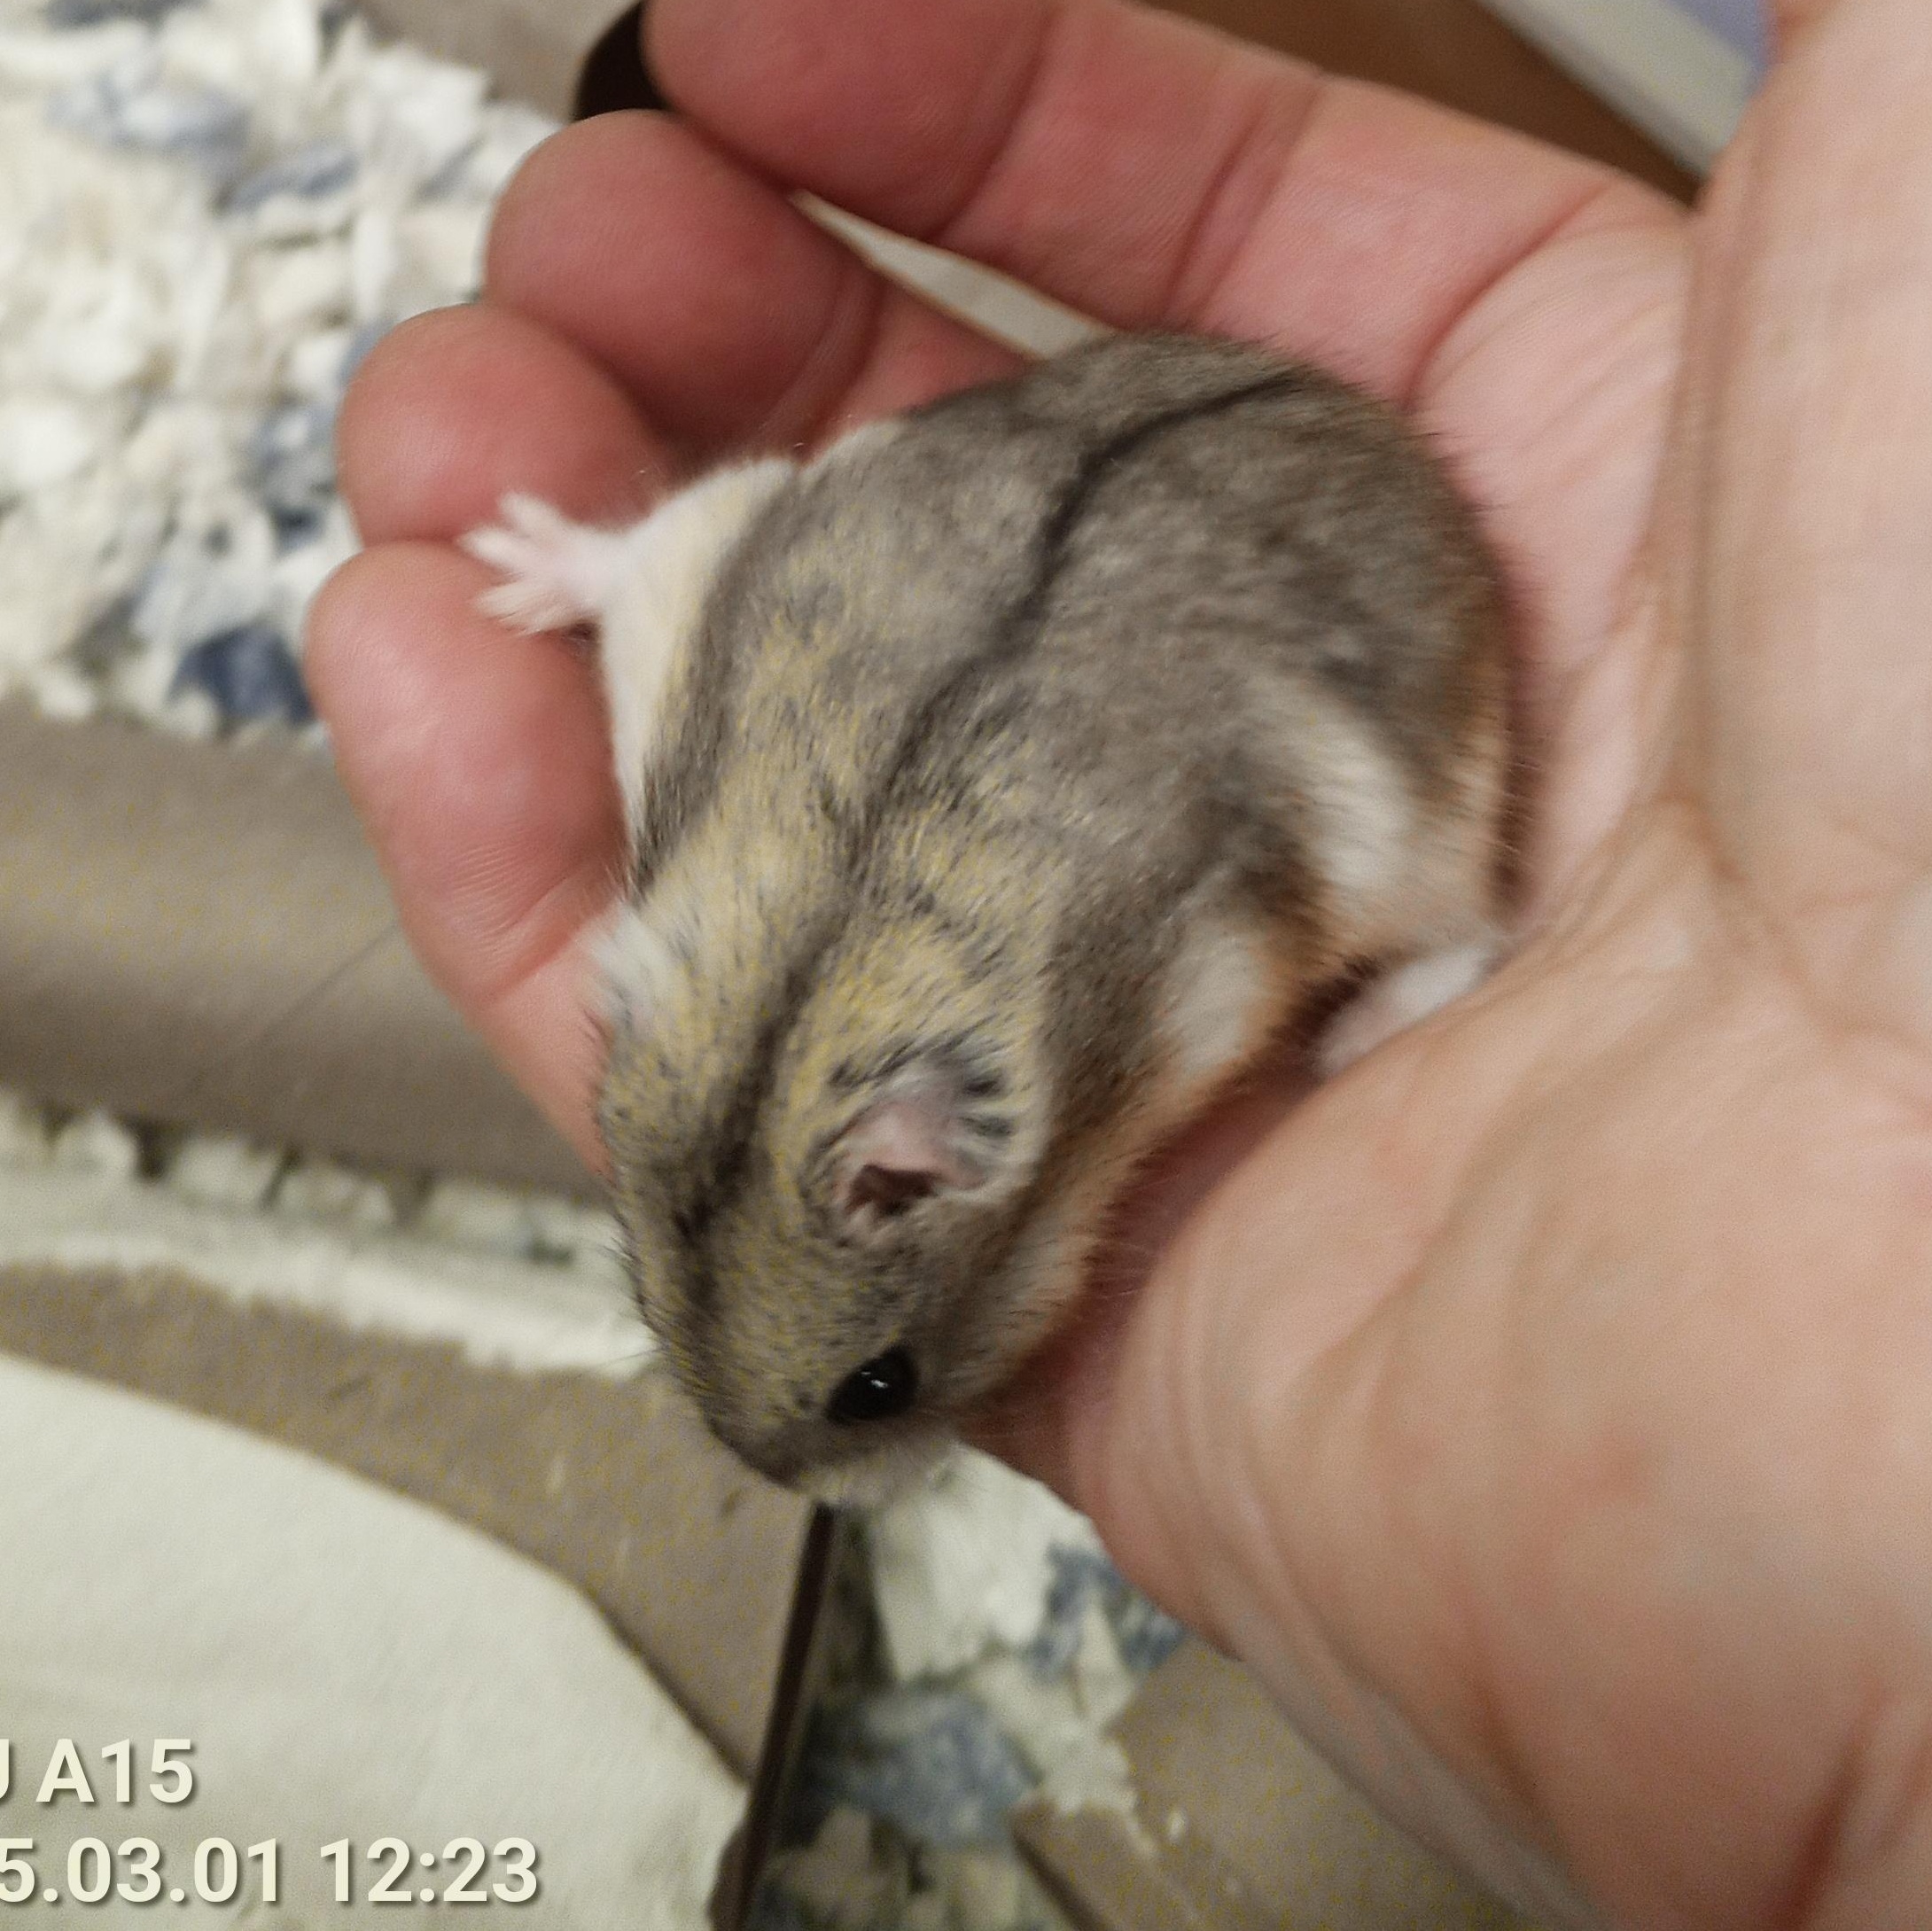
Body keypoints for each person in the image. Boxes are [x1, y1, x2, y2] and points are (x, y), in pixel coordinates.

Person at [305, 0, 1932, 1919]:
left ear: (935, 1164)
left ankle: (1454, 929)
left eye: (880, 1385)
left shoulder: (1091, 1010)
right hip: (1016, 528)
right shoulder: (697, 870)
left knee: (1366, 834)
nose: (858, 1436)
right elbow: (724, 550)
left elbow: (1232, 901)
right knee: (775, 572)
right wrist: (624, 574)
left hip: (1303, 585)